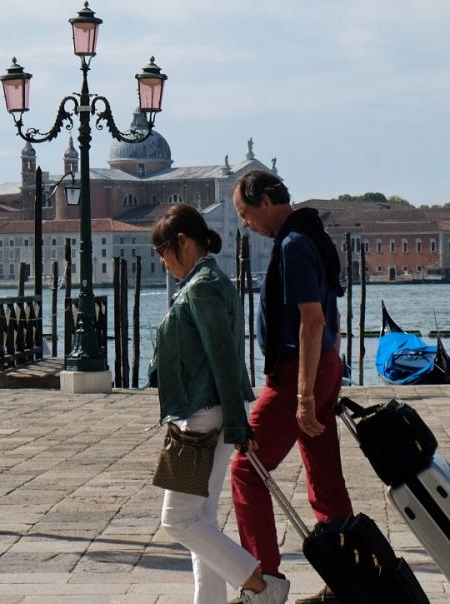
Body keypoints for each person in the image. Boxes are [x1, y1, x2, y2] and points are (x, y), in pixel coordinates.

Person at [150, 205, 289, 604]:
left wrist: (238, 424)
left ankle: (261, 585)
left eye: (163, 250)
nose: (161, 260)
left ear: (184, 242)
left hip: (204, 417)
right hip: (209, 412)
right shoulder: (209, 281)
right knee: (201, 520)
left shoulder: (203, 287)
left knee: (176, 520)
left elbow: (224, 357)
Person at [228, 172, 352, 601]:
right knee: (324, 474)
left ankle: (265, 581)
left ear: (264, 200)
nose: (245, 224)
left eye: (245, 214)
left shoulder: (294, 245)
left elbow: (312, 320)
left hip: (302, 371)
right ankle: (345, 581)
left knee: (247, 468)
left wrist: (302, 396)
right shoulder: (308, 234)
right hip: (326, 365)